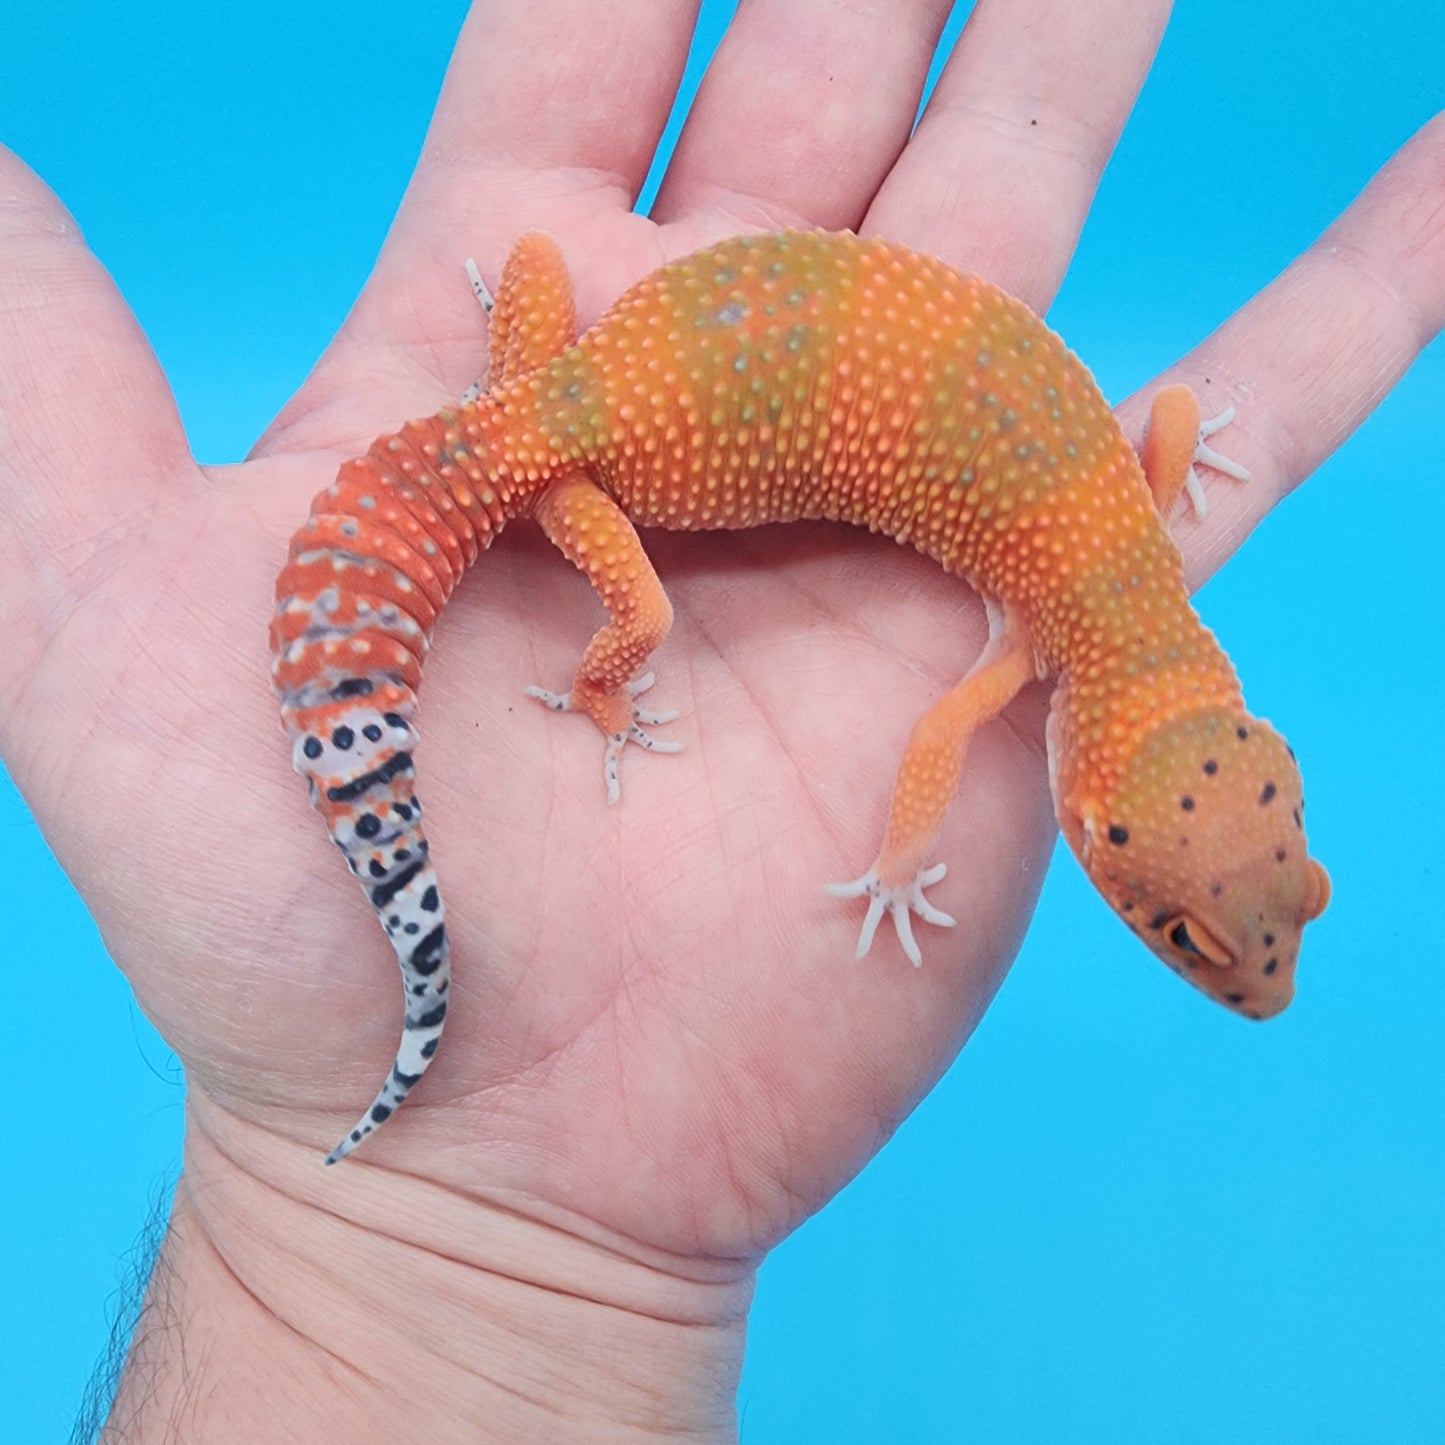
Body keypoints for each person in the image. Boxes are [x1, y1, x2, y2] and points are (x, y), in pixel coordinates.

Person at [3, 2, 1440, 1439]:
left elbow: (1171, 417)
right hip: (602, 461)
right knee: (644, 624)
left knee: (550, 337)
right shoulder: (1076, 615)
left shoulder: (1120, 522)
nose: (1245, 974)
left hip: (555, 372)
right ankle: (596, 690)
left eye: (1221, 926)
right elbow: (935, 744)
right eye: (1182, 934)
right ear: (1096, 816)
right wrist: (866, 854)